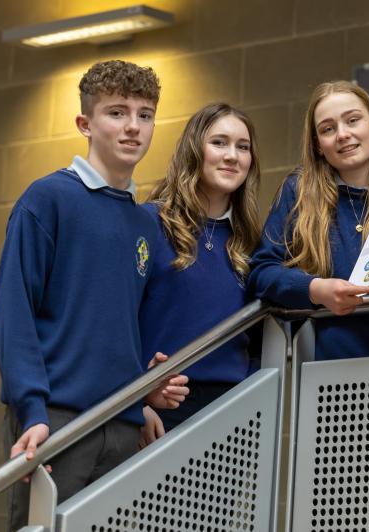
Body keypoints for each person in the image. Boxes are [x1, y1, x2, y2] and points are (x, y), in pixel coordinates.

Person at [0, 60, 188, 531]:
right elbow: (13, 314)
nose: (133, 127)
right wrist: (32, 410)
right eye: (117, 113)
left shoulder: (145, 221)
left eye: (144, 115)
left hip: (121, 425)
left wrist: (139, 398)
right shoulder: (48, 199)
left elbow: (121, 325)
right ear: (85, 123)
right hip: (55, 422)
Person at [248, 80, 369, 360]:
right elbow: (261, 273)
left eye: (353, 120)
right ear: (318, 145)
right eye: (328, 129)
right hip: (325, 370)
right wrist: (315, 289)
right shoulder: (298, 191)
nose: (342, 134)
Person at [139, 103, 261, 438]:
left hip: (234, 414)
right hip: (163, 409)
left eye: (243, 146)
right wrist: (136, 403)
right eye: (219, 143)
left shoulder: (253, 242)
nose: (232, 155)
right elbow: (114, 322)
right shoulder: (149, 223)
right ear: (195, 149)